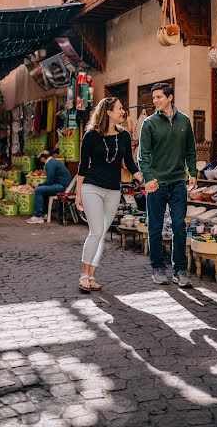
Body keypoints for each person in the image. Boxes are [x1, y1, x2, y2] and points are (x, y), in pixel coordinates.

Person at [75, 97, 142, 292]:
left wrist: (143, 179)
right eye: (120, 109)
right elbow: (82, 166)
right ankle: (84, 274)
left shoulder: (124, 136)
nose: (123, 112)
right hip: (92, 187)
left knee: (102, 233)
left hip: (113, 189)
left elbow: (129, 163)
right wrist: (78, 194)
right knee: (96, 230)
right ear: (109, 112)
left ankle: (92, 275)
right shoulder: (91, 135)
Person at [138, 82, 197, 287]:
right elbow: (143, 155)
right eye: (153, 98)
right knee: (155, 226)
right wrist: (149, 178)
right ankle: (157, 267)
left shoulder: (185, 121)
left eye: (159, 97)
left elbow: (190, 150)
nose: (155, 101)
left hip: (178, 182)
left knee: (179, 226)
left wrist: (193, 173)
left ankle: (180, 269)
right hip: (156, 184)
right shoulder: (149, 124)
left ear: (170, 97)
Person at [26, 151, 72, 224]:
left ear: (43, 158)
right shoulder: (53, 161)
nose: (40, 161)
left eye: (40, 159)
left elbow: (49, 182)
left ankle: (37, 216)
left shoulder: (49, 164)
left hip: (62, 186)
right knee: (43, 190)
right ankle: (44, 214)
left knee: (38, 190)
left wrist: (38, 185)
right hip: (64, 185)